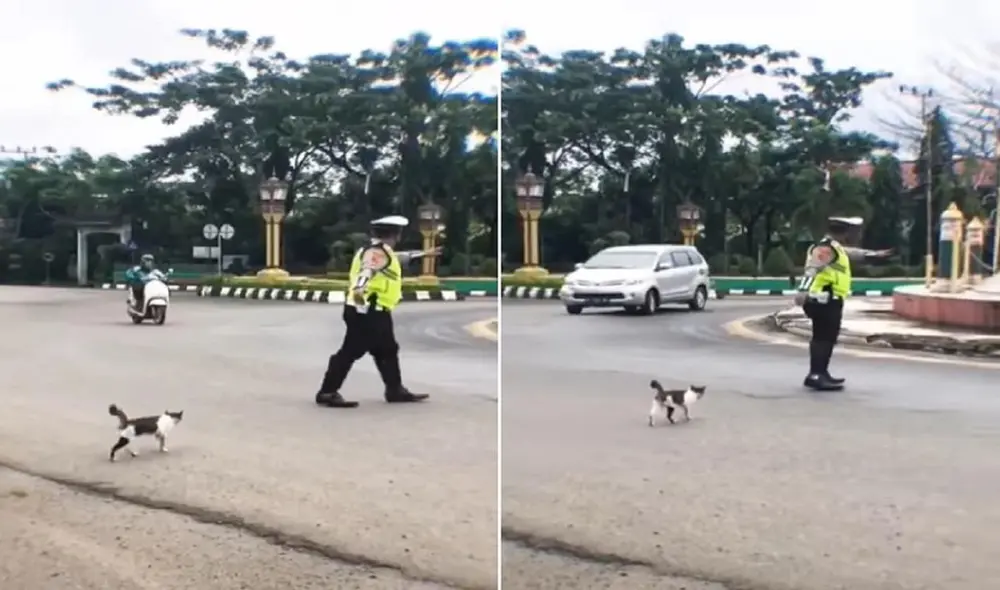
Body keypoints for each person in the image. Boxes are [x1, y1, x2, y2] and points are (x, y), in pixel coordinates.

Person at [315, 215, 436, 408]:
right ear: (396, 234)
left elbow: (396, 259)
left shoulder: (378, 251)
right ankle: (327, 391)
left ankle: (395, 390)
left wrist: (422, 254)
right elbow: (364, 276)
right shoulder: (376, 254)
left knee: (387, 350)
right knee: (350, 351)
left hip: (377, 310)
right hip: (367, 310)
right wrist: (360, 306)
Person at [794, 216, 892, 391]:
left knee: (828, 338)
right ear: (844, 232)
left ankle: (822, 372)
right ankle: (816, 375)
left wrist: (875, 255)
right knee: (822, 338)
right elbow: (811, 270)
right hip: (823, 299)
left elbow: (852, 253)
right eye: (853, 232)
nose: (854, 236)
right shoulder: (824, 248)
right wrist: (802, 292)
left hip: (831, 299)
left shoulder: (835, 248)